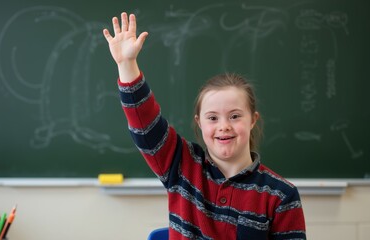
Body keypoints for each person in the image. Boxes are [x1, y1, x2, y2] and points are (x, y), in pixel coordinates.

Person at [103, 12, 306, 240]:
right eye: (212, 118)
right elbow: (145, 124)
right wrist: (127, 64)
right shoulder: (180, 164)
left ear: (253, 120)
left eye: (235, 116)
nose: (223, 126)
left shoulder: (281, 195)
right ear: (199, 123)